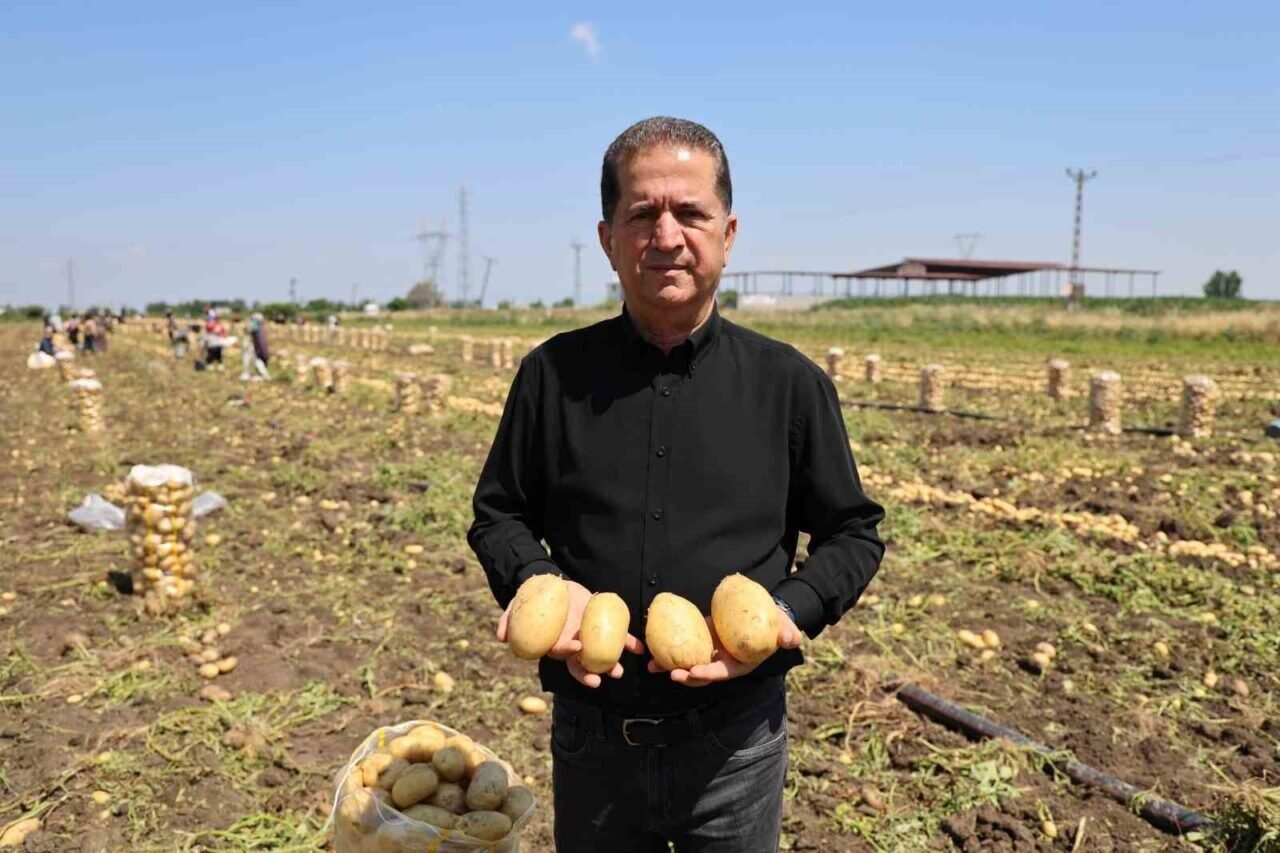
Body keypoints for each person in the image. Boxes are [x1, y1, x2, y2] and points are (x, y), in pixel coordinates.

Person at [468, 117, 885, 852]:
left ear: (728, 232)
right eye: (642, 215)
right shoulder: (551, 375)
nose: (666, 236)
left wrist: (790, 610)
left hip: (736, 745)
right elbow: (498, 512)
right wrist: (536, 581)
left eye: (690, 212)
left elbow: (854, 530)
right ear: (608, 239)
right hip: (594, 743)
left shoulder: (789, 384)